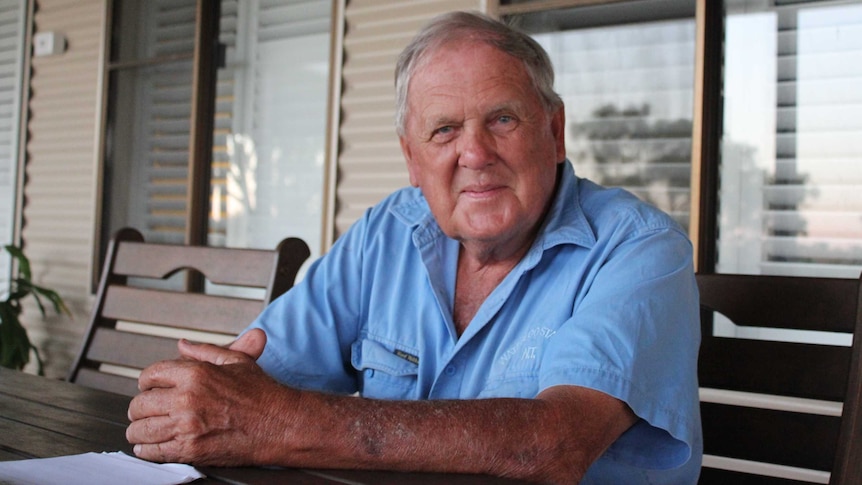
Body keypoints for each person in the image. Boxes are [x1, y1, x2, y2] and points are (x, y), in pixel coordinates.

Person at [126, 10, 702, 484]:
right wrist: (197, 400)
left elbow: (553, 444)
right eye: (445, 130)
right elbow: (255, 384)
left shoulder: (640, 249)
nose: (474, 154)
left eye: (502, 120)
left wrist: (279, 421)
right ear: (412, 158)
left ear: (554, 132)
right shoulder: (387, 233)